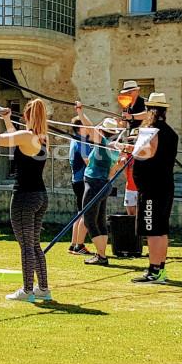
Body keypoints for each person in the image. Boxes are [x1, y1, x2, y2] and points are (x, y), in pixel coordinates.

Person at [0, 100, 51, 303]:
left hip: (25, 196)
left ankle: (27, 290)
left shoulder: (26, 136)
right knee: (34, 245)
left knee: (26, 246)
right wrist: (6, 119)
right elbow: (16, 139)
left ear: (26, 116)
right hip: (40, 196)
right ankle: (43, 288)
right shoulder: (43, 138)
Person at [126, 92, 178, 283]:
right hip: (164, 185)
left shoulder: (152, 131)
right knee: (161, 230)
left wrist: (130, 150)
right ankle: (159, 268)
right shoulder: (170, 132)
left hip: (151, 187)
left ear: (149, 111)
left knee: (153, 230)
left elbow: (148, 153)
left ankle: (154, 270)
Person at [81, 117, 122, 267]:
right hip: (104, 184)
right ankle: (101, 254)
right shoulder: (115, 148)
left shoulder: (102, 143)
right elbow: (113, 170)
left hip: (94, 184)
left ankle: (102, 255)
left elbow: (89, 128)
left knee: (89, 220)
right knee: (99, 220)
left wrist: (80, 112)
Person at [117, 80, 147, 218]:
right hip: (130, 142)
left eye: (130, 92)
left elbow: (148, 115)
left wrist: (132, 117)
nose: (128, 94)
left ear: (137, 91)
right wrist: (122, 121)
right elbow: (124, 125)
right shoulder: (127, 105)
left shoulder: (144, 103)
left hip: (142, 142)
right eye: (126, 92)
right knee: (127, 168)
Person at [66, 103, 92, 255]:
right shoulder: (81, 141)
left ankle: (73, 243)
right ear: (80, 128)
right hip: (82, 180)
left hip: (76, 180)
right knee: (85, 213)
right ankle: (79, 245)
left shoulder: (74, 140)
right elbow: (86, 159)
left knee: (80, 212)